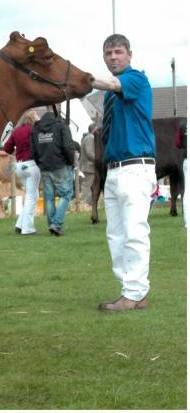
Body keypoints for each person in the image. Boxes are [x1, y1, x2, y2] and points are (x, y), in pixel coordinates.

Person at [91, 34, 156, 312]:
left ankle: (135, 292)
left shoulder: (134, 80)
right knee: (116, 235)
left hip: (135, 167)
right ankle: (130, 290)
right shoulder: (110, 96)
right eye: (108, 53)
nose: (113, 57)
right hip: (115, 170)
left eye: (118, 52)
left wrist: (81, 79)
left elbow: (113, 83)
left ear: (129, 54)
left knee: (134, 232)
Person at [30, 110, 75, 236]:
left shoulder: (35, 129)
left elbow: (33, 150)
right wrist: (70, 162)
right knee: (66, 194)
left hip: (44, 167)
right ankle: (56, 224)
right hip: (60, 165)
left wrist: (40, 164)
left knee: (49, 198)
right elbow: (68, 146)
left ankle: (52, 226)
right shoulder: (60, 126)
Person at [4, 109, 41, 235]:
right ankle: (28, 228)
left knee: (33, 195)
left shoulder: (17, 131)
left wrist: (16, 152)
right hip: (31, 164)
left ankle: (20, 224)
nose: (38, 116)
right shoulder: (34, 130)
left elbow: (7, 147)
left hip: (19, 166)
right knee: (31, 197)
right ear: (32, 117)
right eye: (36, 115)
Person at [79, 123, 97, 205]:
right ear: (94, 129)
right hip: (89, 167)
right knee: (89, 186)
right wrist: (99, 159)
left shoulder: (86, 137)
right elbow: (89, 153)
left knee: (88, 186)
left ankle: (86, 203)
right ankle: (85, 204)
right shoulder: (90, 138)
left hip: (87, 166)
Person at [175, 118, 187, 227]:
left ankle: (187, 220)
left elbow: (178, 143)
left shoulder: (182, 124)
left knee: (187, 191)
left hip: (186, 159)